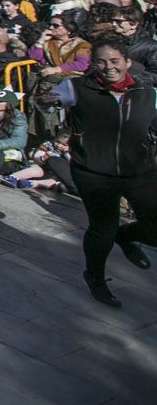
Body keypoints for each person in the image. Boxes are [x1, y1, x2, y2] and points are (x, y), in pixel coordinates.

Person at [51, 36, 156, 308]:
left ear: (128, 62)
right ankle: (95, 276)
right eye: (100, 61)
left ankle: (127, 235)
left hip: (139, 170)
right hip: (94, 171)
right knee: (103, 229)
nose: (108, 67)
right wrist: (52, 107)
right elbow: (47, 102)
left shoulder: (147, 91)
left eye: (115, 61)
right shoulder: (76, 88)